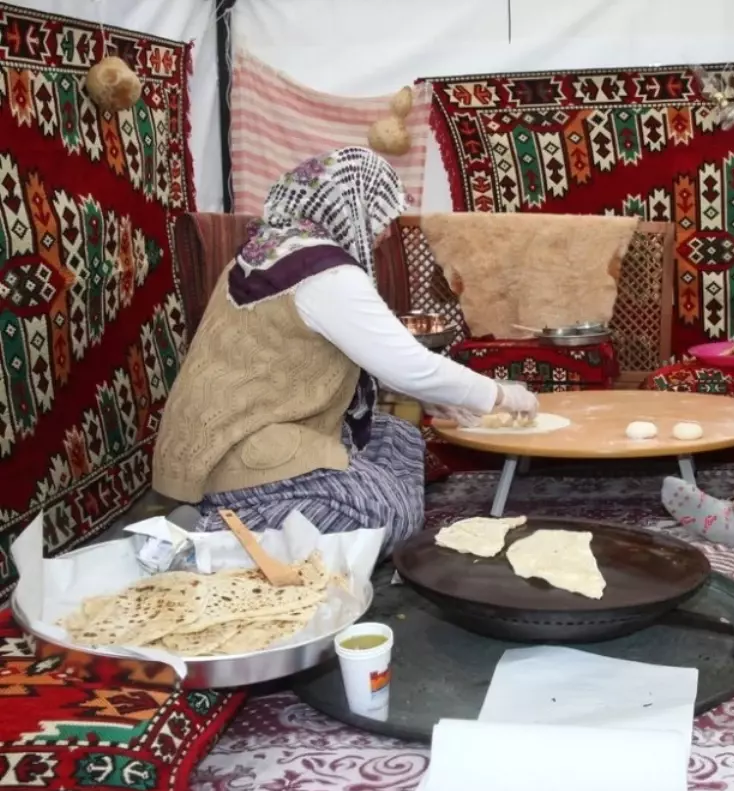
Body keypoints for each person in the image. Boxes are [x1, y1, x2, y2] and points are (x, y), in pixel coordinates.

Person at [152, 147, 539, 550]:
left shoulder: (269, 249)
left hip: (233, 434)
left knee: (398, 438)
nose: (385, 232)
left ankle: (254, 507)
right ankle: (209, 533)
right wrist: (500, 395)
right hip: (244, 449)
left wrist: (429, 397)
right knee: (390, 517)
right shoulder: (326, 273)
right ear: (350, 208)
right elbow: (408, 365)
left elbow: (342, 351)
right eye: (379, 215)